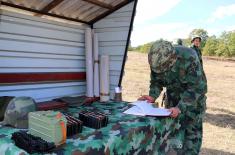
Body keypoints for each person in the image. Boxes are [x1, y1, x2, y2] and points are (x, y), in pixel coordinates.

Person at [138, 40, 207, 155]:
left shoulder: (189, 57)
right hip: (172, 100)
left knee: (191, 139)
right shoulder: (156, 60)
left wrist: (180, 107)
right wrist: (152, 96)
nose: (161, 71)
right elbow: (156, 82)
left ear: (172, 59)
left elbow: (197, 88)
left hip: (193, 102)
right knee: (172, 137)